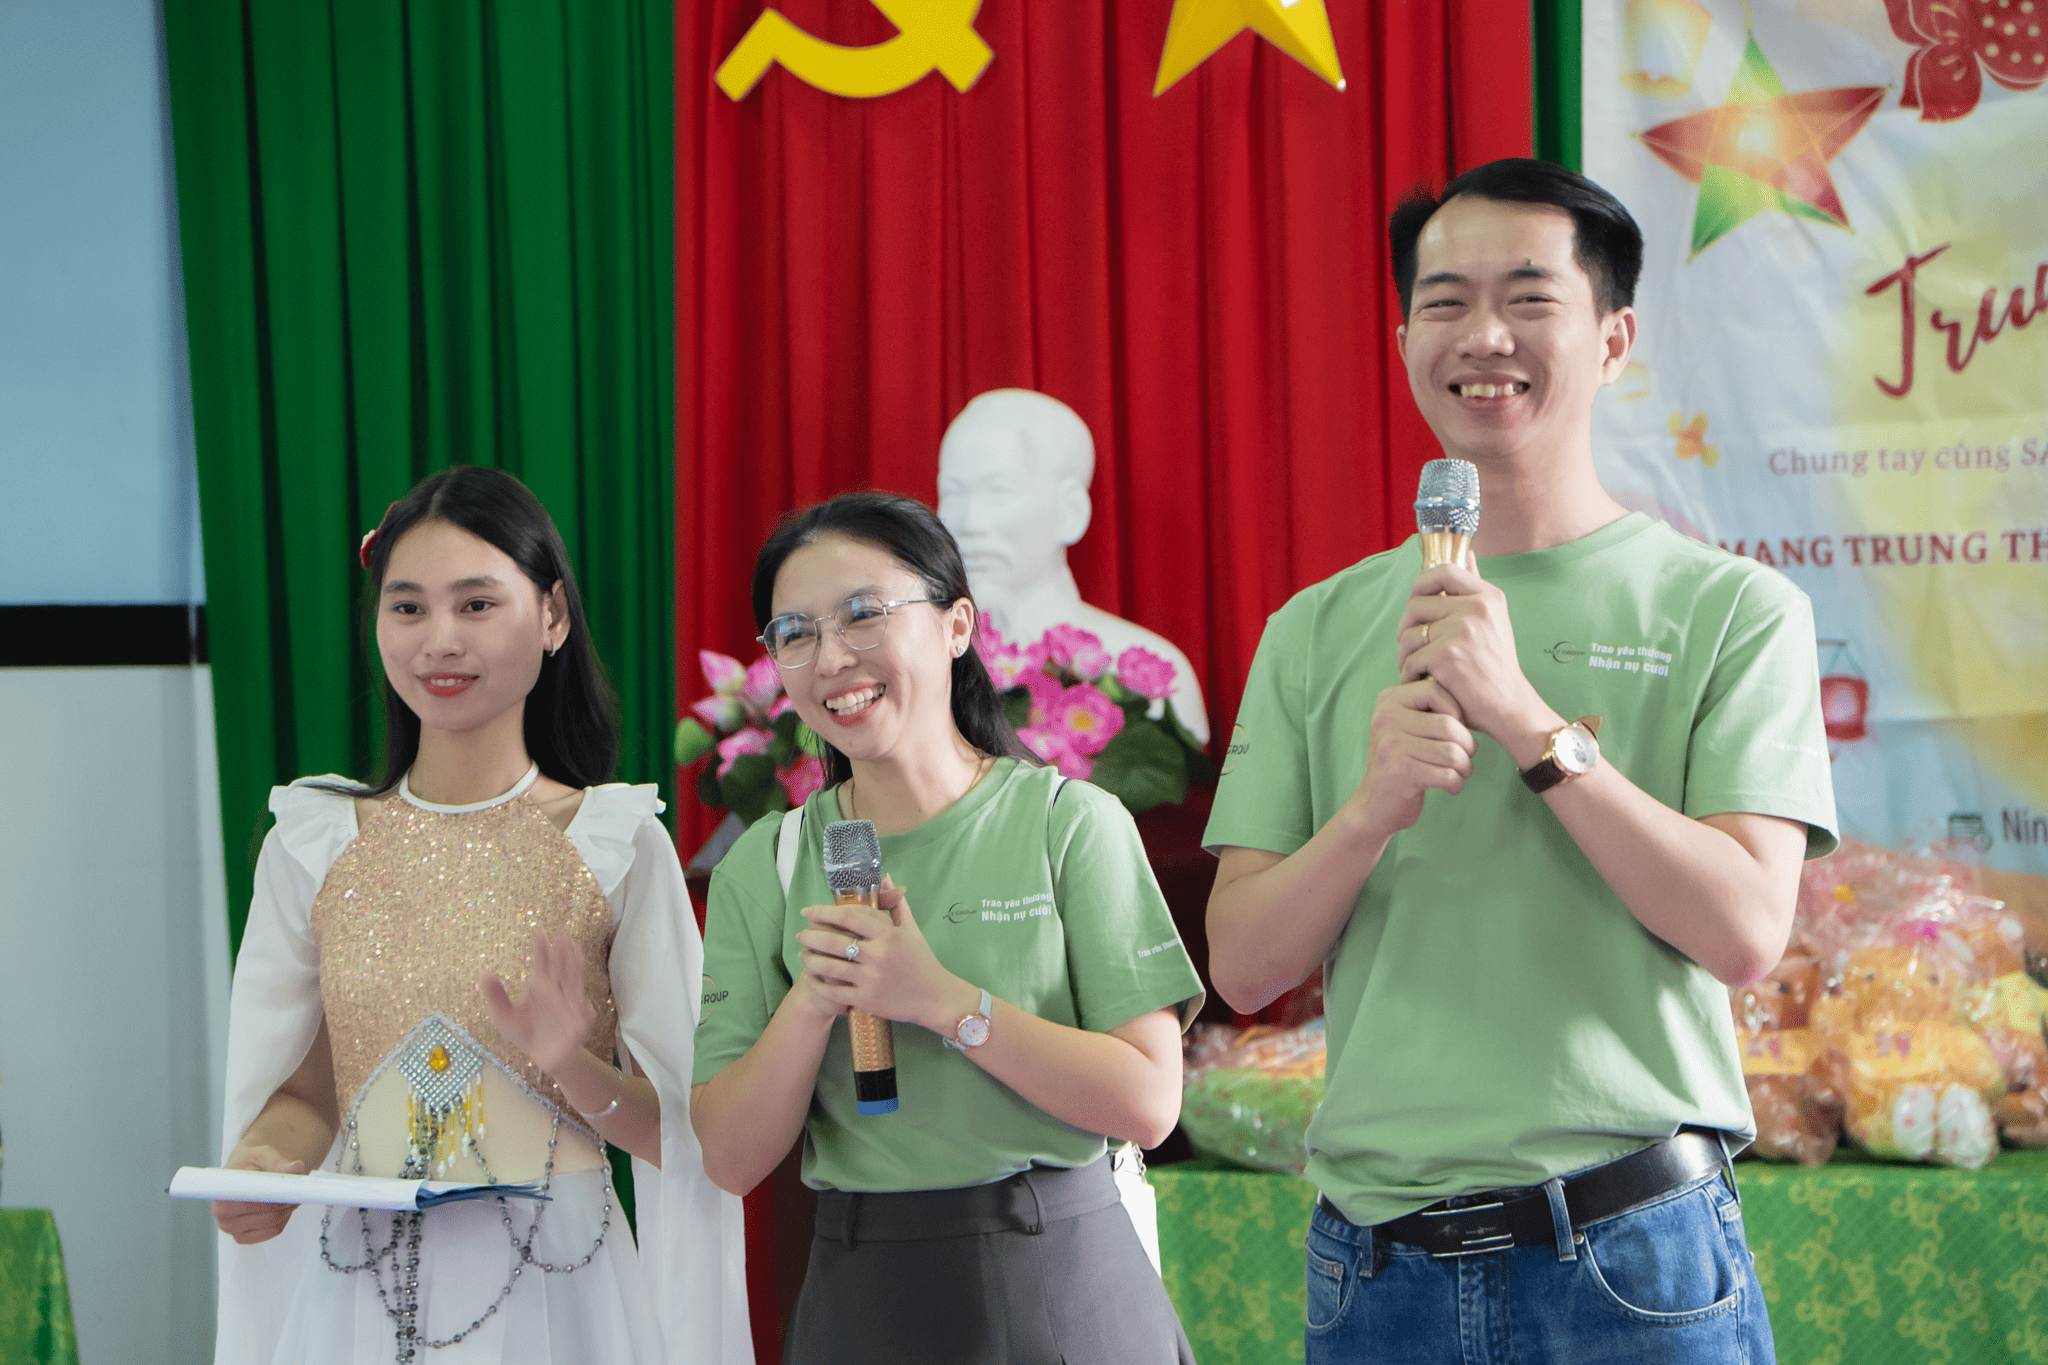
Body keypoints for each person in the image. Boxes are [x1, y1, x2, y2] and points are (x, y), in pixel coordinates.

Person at [1203, 159, 1838, 1364]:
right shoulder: (1313, 629)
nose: (1481, 336)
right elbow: (1241, 964)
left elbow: (1744, 933)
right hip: (1374, 1269)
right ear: (1402, 342)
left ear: (1613, 339)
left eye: (1528, 298)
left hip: (1630, 1258)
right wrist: (1367, 812)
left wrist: (1525, 722)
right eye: (1443, 302)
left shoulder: (1732, 610)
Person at [210, 465, 749, 1364]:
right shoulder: (314, 842)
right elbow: (306, 1094)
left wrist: (568, 1064)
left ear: (552, 615)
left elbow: (687, 1131)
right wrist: (266, 1161)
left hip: (560, 1287)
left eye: (476, 604)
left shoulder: (615, 843)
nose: (439, 640)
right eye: (408, 607)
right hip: (363, 1288)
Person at [690, 490, 1204, 1365]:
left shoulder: (1068, 822)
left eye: (863, 614)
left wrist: (942, 1001)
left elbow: (1149, 1101)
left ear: (957, 624)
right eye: (796, 633)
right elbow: (732, 1158)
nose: (832, 658)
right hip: (866, 1282)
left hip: (1062, 1266)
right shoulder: (767, 862)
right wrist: (815, 998)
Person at [936, 388, 1209, 742]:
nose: (969, 523)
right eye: (953, 494)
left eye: (999, 492)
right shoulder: (917, 661)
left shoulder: (1144, 672)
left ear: (1070, 512)